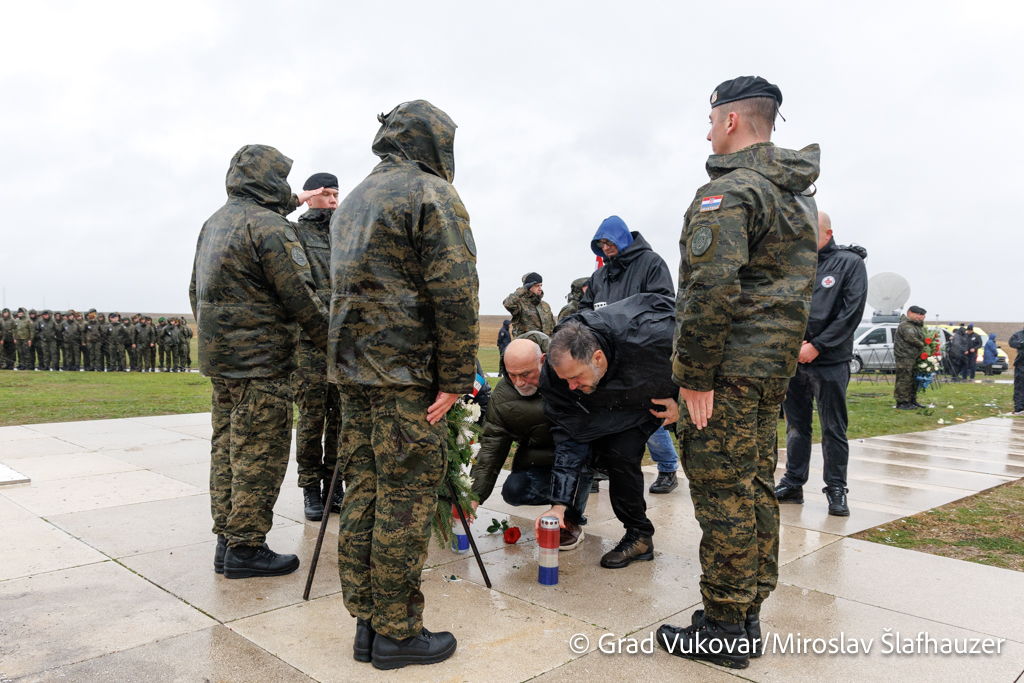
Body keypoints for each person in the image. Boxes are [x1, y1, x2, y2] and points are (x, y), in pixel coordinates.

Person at [657, 76, 820, 670]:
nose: (708, 134)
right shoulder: (798, 197)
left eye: (710, 122)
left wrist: (694, 374)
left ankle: (723, 628)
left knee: (723, 494)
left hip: (725, 371)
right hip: (770, 370)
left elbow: (711, 289)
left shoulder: (728, 192)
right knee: (753, 487)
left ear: (730, 120)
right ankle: (746, 611)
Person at [329, 100, 477, 669]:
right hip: (406, 376)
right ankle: (397, 632)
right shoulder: (431, 194)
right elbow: (455, 291)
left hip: (356, 374)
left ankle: (367, 623)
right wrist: (455, 377)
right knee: (405, 497)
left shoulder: (354, 199)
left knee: (365, 491)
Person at [190, 143, 330, 580]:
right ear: (269, 179)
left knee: (226, 451)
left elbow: (195, 291)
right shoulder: (270, 228)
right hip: (262, 364)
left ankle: (226, 541)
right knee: (259, 456)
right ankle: (246, 548)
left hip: (222, 363)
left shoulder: (215, 223)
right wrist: (339, 347)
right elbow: (301, 298)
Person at [535, 293, 677, 569]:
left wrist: (682, 399)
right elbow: (568, 437)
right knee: (603, 454)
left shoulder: (653, 334)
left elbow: (704, 348)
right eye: (566, 380)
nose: (571, 386)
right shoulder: (559, 377)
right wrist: (558, 504)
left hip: (643, 398)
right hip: (602, 402)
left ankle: (640, 535)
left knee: (622, 454)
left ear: (597, 357)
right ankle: (577, 516)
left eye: (576, 377)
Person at [775, 213, 868, 517]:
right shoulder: (794, 262)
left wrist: (817, 346)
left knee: (833, 428)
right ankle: (793, 483)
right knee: (796, 426)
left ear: (828, 233)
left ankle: (836, 488)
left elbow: (850, 313)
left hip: (829, 361)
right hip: (795, 361)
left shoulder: (849, 263)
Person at [579, 214, 680, 494]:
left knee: (649, 416)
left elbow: (663, 306)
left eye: (608, 241)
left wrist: (617, 318)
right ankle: (600, 466)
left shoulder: (652, 264)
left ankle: (667, 468)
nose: (605, 247)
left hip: (642, 358)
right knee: (606, 416)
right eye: (600, 244)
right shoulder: (600, 275)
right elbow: (585, 308)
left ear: (621, 238)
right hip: (608, 361)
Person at [470, 334, 591, 550]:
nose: (519, 383)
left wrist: (560, 503)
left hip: (578, 457)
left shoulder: (569, 377)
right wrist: (474, 496)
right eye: (512, 375)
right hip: (540, 461)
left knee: (583, 463)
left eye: (526, 374)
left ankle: (571, 519)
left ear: (543, 361)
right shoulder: (502, 398)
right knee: (514, 490)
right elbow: (491, 446)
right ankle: (561, 500)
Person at [292, 171, 343, 522]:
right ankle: (310, 487)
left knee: (341, 418)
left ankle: (334, 486)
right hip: (310, 344)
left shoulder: (346, 233)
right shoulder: (295, 233)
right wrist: (296, 198)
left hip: (343, 343)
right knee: (312, 419)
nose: (334, 201)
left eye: (337, 195)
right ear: (311, 196)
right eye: (327, 194)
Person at [894, 306, 928, 409]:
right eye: (917, 314)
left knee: (913, 380)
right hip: (905, 357)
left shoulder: (916, 326)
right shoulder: (905, 325)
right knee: (904, 380)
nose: (919, 317)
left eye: (921, 315)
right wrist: (924, 345)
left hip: (913, 356)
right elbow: (912, 339)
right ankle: (902, 402)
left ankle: (911, 399)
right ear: (909, 313)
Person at [503, 272, 555, 337]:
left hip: (545, 343)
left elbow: (552, 327)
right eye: (537, 286)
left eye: (541, 285)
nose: (540, 289)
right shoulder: (520, 304)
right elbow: (508, 304)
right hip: (525, 343)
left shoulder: (545, 306)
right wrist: (523, 289)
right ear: (528, 287)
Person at [1009, 324, 1024, 416]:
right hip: (1021, 363)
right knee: (1019, 385)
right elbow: (1011, 342)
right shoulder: (1019, 334)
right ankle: (1019, 406)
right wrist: (1021, 344)